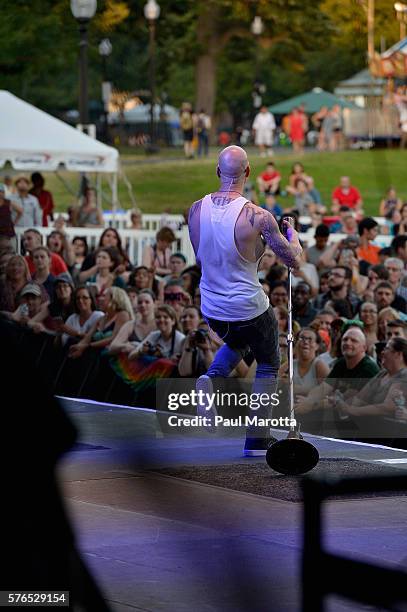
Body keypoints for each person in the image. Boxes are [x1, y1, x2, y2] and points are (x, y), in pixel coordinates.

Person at [188, 145, 302, 455]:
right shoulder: (259, 217)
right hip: (248, 305)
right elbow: (294, 261)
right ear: (248, 172)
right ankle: (257, 438)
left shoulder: (196, 209)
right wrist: (292, 236)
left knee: (238, 340)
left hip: (212, 306)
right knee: (268, 362)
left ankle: (212, 378)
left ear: (217, 171)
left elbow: (201, 255)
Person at [0, 182, 22, 251]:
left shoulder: (8, 202)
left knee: (11, 251)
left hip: (8, 233)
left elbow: (20, 211)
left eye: (2, 192)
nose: (0, 194)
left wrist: (14, 222)